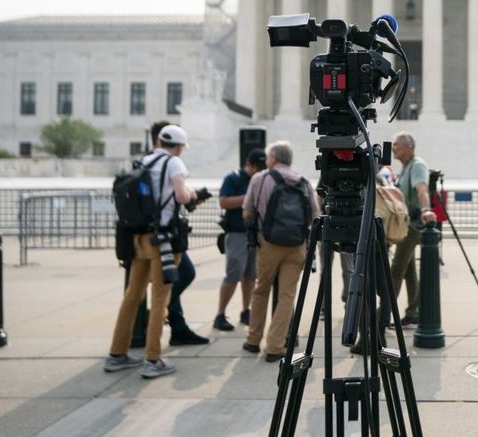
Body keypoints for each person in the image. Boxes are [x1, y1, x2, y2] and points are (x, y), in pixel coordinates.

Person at [103, 124, 204, 379]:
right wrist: (193, 193)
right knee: (161, 299)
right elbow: (181, 196)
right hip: (164, 241)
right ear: (179, 147)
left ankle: (117, 353)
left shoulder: (145, 161)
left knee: (132, 296)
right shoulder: (174, 164)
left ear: (159, 140)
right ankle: (152, 358)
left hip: (139, 239)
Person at [241, 140, 321, 362]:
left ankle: (253, 339)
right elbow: (316, 216)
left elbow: (247, 212)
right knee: (286, 296)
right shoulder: (304, 182)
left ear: (273, 158)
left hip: (268, 244)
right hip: (296, 246)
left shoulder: (260, 178)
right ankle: (275, 346)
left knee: (261, 290)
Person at [213, 148, 267, 331]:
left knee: (251, 275)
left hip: (255, 233)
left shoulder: (261, 179)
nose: (259, 171)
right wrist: (248, 198)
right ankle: (220, 314)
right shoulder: (233, 178)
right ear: (248, 164)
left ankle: (246, 310)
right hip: (236, 232)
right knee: (233, 274)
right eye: (257, 167)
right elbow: (223, 202)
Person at [388, 132, 437, 328]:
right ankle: (413, 313)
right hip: (405, 225)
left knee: (396, 269)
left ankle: (383, 312)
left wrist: (426, 209)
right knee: (408, 271)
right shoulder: (406, 167)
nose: (393, 148)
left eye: (396, 145)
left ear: (409, 147)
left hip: (412, 227)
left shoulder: (417, 165)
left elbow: (422, 189)